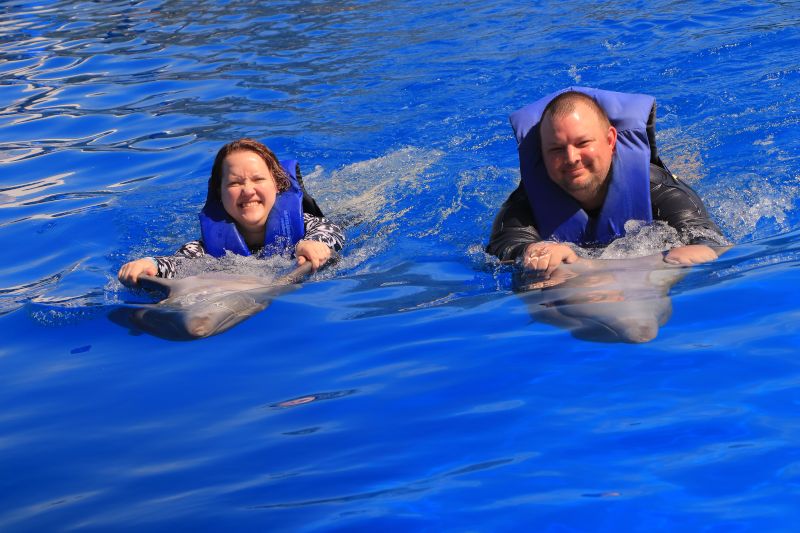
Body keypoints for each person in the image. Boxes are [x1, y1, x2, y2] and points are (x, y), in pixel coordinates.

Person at [487, 87, 728, 276]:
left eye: (583, 144)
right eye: (556, 149)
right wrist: (533, 252)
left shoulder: (658, 188)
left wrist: (700, 247)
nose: (571, 158)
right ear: (542, 152)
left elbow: (706, 234)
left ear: (611, 139)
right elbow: (505, 247)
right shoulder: (523, 206)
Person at [118, 138, 345, 286]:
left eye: (258, 179)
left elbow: (330, 232)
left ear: (277, 185)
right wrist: (151, 265)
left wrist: (313, 244)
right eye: (235, 183)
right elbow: (178, 264)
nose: (248, 191)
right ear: (220, 193)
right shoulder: (206, 248)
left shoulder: (308, 226)